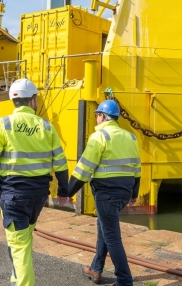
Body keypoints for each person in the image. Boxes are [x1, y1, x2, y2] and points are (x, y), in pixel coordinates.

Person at [0, 79, 71, 286]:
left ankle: (22, 282)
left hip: (14, 195)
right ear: (33, 101)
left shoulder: (4, 124)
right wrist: (64, 189)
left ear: (13, 101)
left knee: (20, 246)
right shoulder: (47, 126)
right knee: (23, 238)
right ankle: (16, 279)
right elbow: (60, 163)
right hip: (39, 196)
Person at [67, 99, 141, 286]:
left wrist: (68, 191)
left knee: (112, 237)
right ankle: (96, 269)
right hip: (124, 193)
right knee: (104, 230)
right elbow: (137, 169)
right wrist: (134, 194)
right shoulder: (130, 137)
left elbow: (84, 168)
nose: (96, 119)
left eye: (97, 115)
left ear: (102, 116)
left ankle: (125, 281)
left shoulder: (99, 137)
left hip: (107, 194)